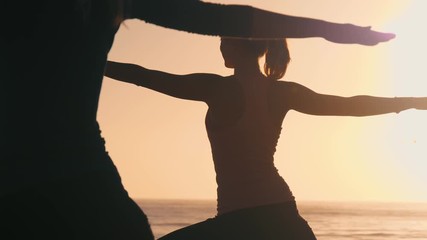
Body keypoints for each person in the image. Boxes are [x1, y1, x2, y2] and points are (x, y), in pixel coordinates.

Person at [1, 0, 395, 239]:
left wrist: (331, 31)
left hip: (80, 174)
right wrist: (332, 31)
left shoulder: (227, 88)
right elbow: (219, 23)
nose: (221, 45)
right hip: (275, 217)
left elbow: (215, 24)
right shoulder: (269, 91)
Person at [104, 37, 427, 239]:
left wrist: (94, 63)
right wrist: (410, 101)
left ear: (235, 46)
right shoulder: (283, 92)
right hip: (278, 213)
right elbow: (349, 105)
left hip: (244, 219)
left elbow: (143, 76)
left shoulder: (215, 88)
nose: (220, 49)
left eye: (222, 42)